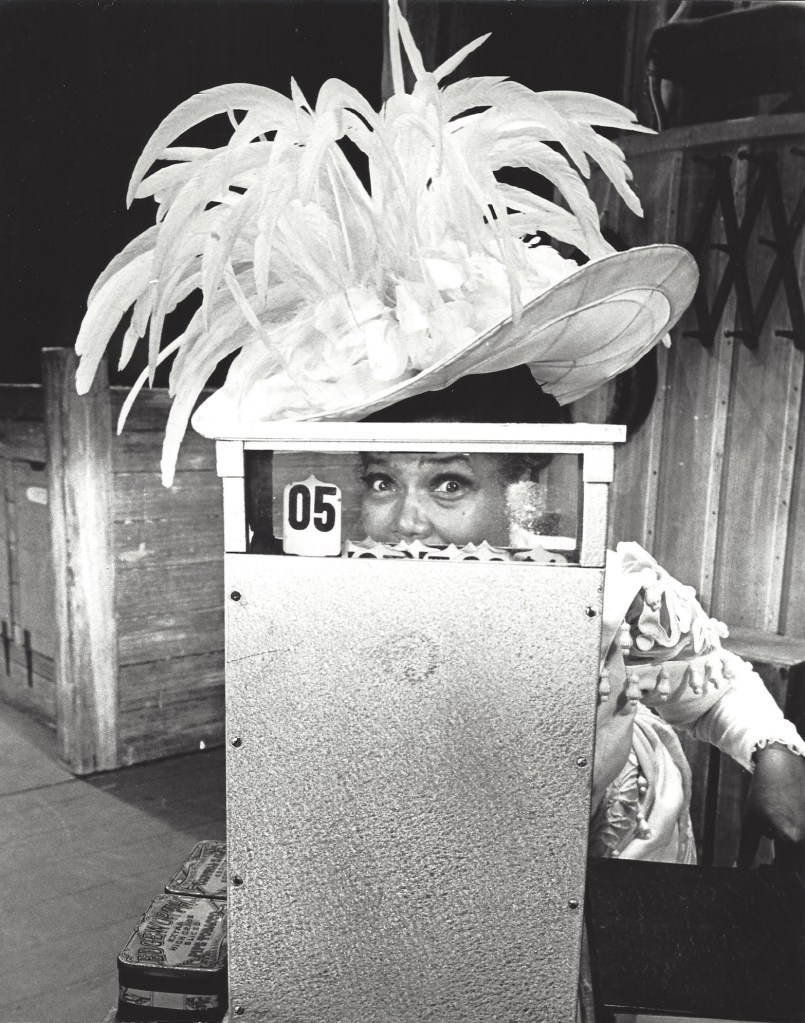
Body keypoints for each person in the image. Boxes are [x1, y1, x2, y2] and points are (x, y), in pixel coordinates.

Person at [359, 366, 805, 864]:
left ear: (518, 489)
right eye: (382, 482)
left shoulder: (601, 589)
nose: (406, 522)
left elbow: (716, 693)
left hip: (596, 848)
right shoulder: (330, 592)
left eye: (449, 485)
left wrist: (775, 757)